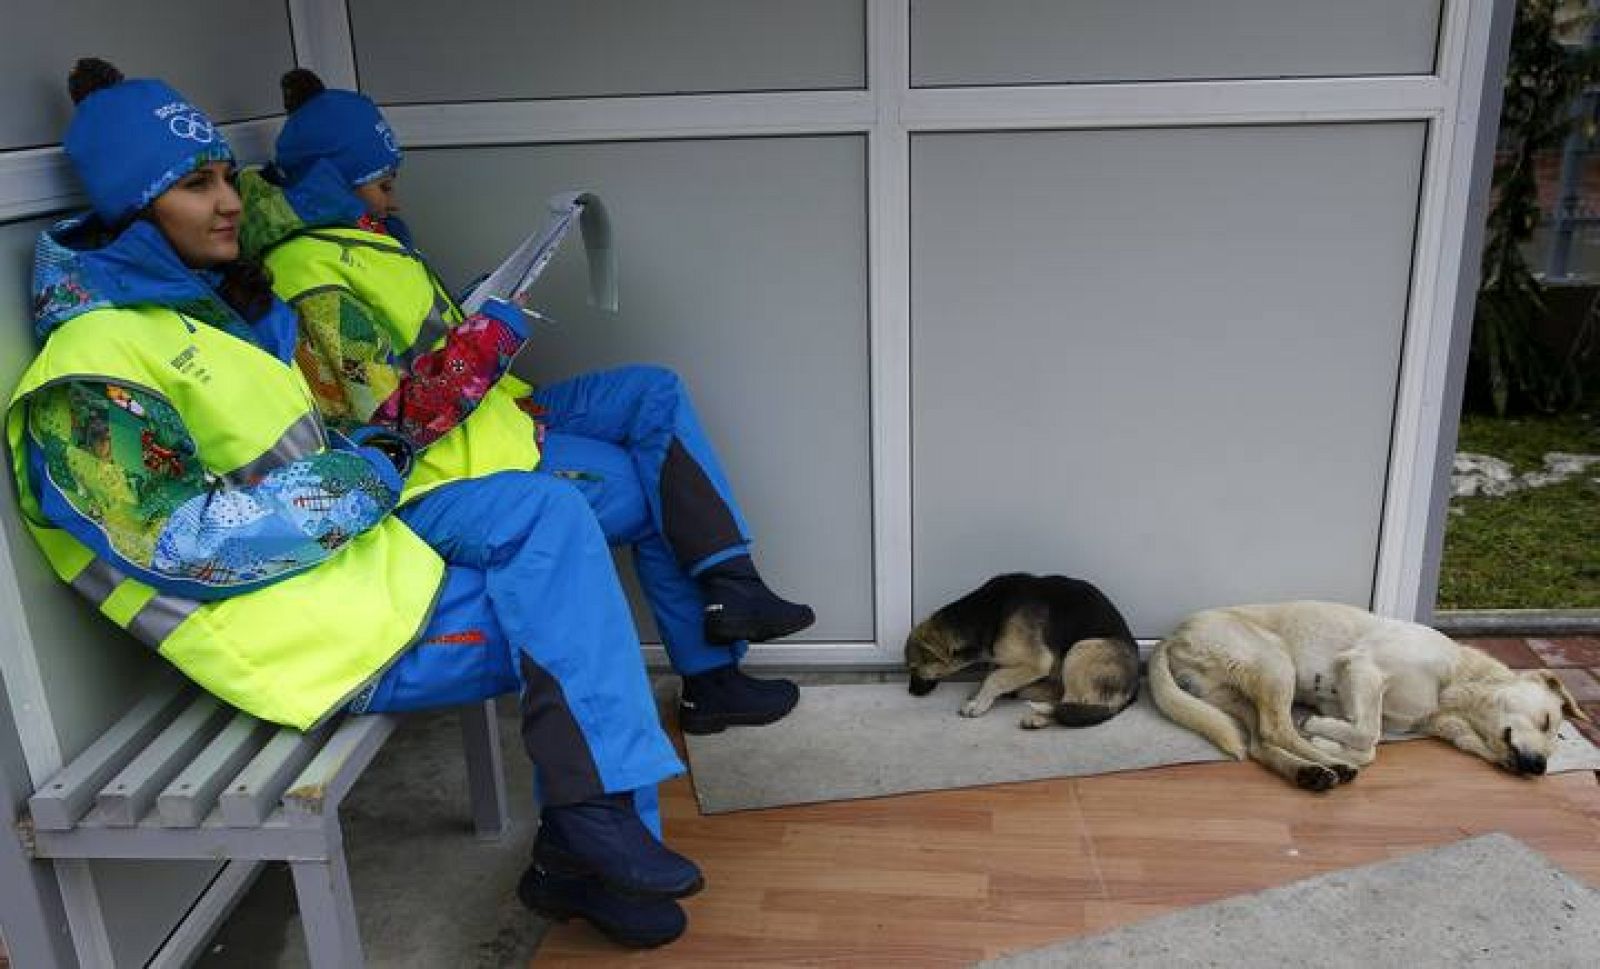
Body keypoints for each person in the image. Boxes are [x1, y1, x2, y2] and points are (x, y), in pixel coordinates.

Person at [7, 59, 702, 948]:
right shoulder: (89, 369)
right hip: (298, 634)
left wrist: (376, 444)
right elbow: (182, 544)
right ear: (128, 209)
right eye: (195, 185)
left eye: (226, 175)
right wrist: (364, 473)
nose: (228, 200)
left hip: (357, 553)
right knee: (570, 617)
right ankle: (589, 833)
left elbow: (320, 426)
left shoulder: (208, 307)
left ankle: (591, 823)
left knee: (551, 517)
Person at [235, 68, 813, 735]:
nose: (394, 198)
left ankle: (733, 583)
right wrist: (489, 336)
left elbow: (417, 338)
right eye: (384, 182)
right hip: (447, 467)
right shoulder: (310, 275)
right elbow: (387, 424)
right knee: (659, 486)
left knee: (653, 391)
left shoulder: (361, 239)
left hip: (496, 416)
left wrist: (478, 303)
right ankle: (713, 676)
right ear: (335, 179)